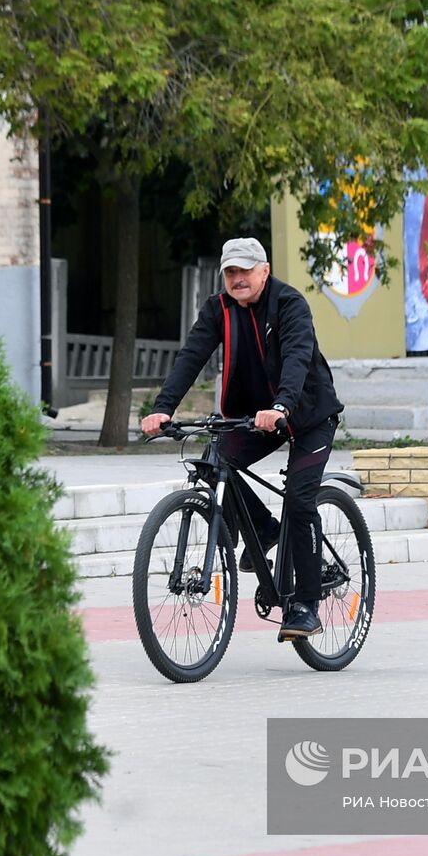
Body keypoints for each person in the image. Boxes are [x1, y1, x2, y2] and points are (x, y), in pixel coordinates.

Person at [141, 236, 344, 641]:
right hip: (253, 418)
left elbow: (298, 357)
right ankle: (266, 532)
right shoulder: (218, 309)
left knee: (301, 501)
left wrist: (283, 406)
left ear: (264, 270)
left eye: (245, 271)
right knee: (213, 465)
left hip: (306, 416)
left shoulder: (289, 304)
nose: (237, 279)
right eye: (230, 272)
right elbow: (191, 356)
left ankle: (304, 605)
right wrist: (164, 408)